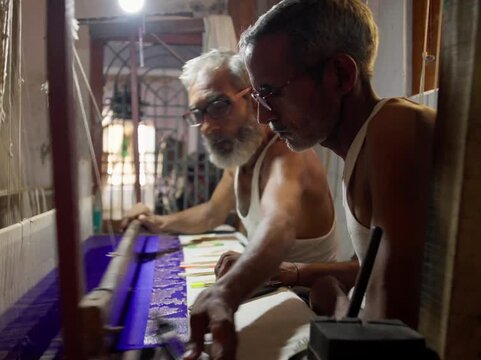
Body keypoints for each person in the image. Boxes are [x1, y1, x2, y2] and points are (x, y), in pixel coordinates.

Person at [186, 1, 436, 359]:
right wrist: (299, 273)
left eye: (271, 92)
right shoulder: (367, 144)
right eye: (257, 96)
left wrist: (333, 301)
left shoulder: (395, 130)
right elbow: (373, 267)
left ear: (339, 74)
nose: (263, 114)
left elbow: (387, 338)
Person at [121, 49, 357, 288]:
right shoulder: (243, 156)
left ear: (252, 97)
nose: (206, 126)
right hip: (274, 292)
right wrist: (155, 222)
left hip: (308, 302)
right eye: (198, 113)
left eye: (218, 105)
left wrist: (225, 293)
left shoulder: (286, 158)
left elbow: (278, 225)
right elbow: (212, 213)